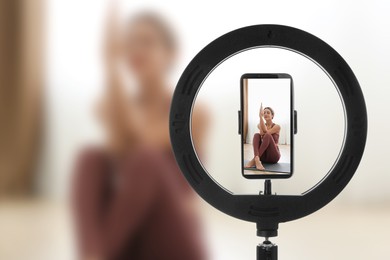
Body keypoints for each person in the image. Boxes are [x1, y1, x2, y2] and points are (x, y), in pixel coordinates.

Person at [71, 6, 207, 260]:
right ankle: (91, 254)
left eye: (147, 41)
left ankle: (97, 255)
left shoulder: (192, 112)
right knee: (90, 158)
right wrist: (110, 65)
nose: (137, 50)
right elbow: (121, 145)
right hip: (131, 240)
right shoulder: (112, 106)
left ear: (170, 53)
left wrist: (109, 64)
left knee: (147, 159)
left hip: (172, 239)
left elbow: (140, 142)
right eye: (130, 42)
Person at [245, 103, 281, 171]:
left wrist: (260, 117)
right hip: (263, 156)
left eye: (268, 112)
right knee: (256, 135)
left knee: (267, 135)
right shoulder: (259, 125)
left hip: (273, 156)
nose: (266, 114)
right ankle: (257, 159)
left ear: (272, 115)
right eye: (264, 113)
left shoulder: (277, 126)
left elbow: (266, 132)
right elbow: (261, 133)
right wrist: (260, 117)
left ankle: (253, 160)